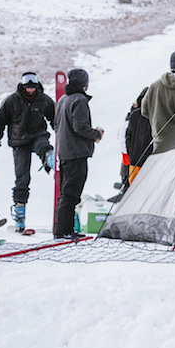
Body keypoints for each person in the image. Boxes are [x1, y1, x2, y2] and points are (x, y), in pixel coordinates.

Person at [0, 71, 56, 233]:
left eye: (33, 88)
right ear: (22, 86)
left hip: (38, 135)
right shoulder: (12, 100)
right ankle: (20, 216)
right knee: (22, 177)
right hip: (19, 141)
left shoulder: (43, 99)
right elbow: (0, 120)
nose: (31, 90)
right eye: (28, 88)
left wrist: (60, 130)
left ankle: (51, 159)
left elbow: (54, 117)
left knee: (43, 146)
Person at [53, 68, 103, 239]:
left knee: (66, 192)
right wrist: (96, 134)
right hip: (76, 153)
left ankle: (62, 229)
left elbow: (56, 125)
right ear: (85, 84)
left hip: (65, 152)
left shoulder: (63, 100)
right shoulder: (80, 100)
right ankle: (64, 231)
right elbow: (80, 127)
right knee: (72, 193)